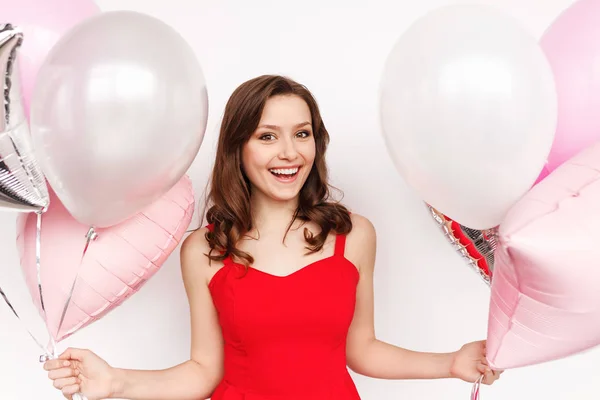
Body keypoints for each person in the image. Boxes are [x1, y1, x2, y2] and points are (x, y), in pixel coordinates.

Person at [43, 75, 501, 400]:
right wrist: (114, 382)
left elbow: (361, 350)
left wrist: (451, 362)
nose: (289, 153)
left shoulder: (354, 235)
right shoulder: (203, 250)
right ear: (237, 148)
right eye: (267, 136)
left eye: (302, 134)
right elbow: (204, 373)